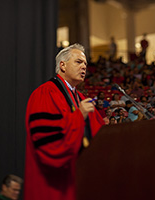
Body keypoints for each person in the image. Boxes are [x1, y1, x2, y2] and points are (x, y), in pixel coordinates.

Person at [24, 43, 104, 200]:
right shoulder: (45, 93)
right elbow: (47, 143)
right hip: (52, 187)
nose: (84, 67)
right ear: (63, 65)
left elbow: (99, 137)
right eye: (78, 62)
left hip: (78, 183)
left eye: (86, 64)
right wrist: (79, 116)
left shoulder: (81, 99)